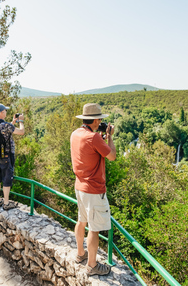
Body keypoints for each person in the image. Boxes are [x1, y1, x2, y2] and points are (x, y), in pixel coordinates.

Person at [70, 103, 116, 276]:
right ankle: (92, 266)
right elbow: (111, 156)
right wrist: (109, 137)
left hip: (79, 186)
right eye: (100, 119)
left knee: (81, 221)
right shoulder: (95, 137)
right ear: (96, 120)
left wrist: (101, 136)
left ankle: (80, 254)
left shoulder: (76, 134)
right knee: (94, 228)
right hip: (94, 190)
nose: (101, 122)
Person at [0, 103, 25, 210]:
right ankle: (6, 203)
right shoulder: (6, 125)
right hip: (6, 156)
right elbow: (21, 132)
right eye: (5, 111)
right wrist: (21, 121)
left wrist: (13, 122)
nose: (6, 112)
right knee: (6, 179)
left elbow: (3, 130)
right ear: (1, 112)